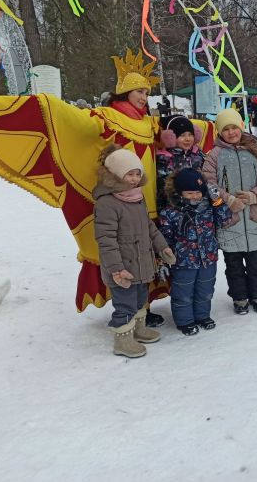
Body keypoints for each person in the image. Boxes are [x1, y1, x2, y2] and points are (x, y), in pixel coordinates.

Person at [0, 48, 168, 314]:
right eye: (139, 92)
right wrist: (48, 106)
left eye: (147, 93)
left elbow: (175, 134)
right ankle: (129, 314)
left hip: (146, 201)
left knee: (145, 253)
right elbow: (76, 123)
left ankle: (144, 308)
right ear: (125, 93)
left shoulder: (150, 122)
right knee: (124, 253)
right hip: (120, 202)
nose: (144, 97)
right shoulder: (106, 117)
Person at [93, 144, 176, 357]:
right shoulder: (107, 203)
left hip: (142, 261)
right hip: (123, 267)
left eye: (137, 173)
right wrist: (117, 269)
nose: (134, 178)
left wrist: (162, 247)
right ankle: (123, 340)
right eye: (130, 174)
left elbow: (148, 226)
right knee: (125, 304)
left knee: (140, 299)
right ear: (117, 174)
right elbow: (106, 239)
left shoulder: (136, 196)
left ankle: (138, 330)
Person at [202, 109, 257, 315]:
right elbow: (209, 183)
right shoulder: (214, 155)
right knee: (233, 265)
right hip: (229, 220)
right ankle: (240, 298)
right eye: (226, 129)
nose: (231, 132)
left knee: (256, 263)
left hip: (253, 218)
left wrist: (254, 196)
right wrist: (228, 200)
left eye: (234, 127)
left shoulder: (255, 151)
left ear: (241, 127)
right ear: (219, 132)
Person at [157, 168, 233, 335]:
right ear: (179, 192)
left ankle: (202, 316)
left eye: (198, 192)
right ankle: (185, 321)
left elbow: (225, 219)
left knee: (205, 290)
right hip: (184, 261)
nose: (195, 196)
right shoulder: (170, 212)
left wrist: (217, 201)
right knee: (183, 292)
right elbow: (165, 238)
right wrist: (163, 259)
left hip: (208, 257)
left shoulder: (209, 207)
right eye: (190, 193)